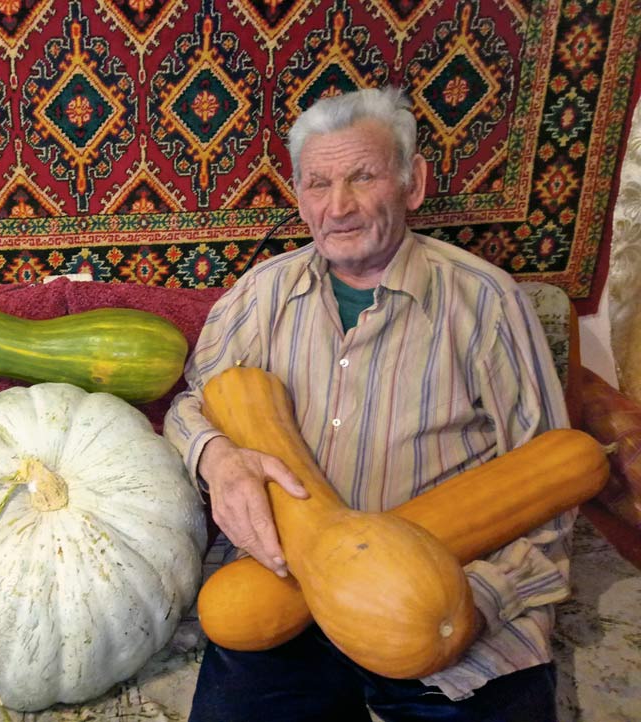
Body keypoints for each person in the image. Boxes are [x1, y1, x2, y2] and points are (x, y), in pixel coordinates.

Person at [164, 87, 572, 722]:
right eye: (318, 183)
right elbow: (192, 403)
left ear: (413, 184)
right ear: (298, 196)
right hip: (285, 598)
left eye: (362, 176)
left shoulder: (489, 303)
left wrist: (471, 603)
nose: (339, 206)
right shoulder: (261, 295)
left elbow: (553, 483)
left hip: (448, 595)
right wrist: (216, 457)